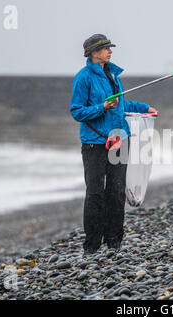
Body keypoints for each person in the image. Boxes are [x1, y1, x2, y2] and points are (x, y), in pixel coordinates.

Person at [69, 34, 157, 255]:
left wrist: (145, 108)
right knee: (95, 193)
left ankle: (114, 243)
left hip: (120, 140)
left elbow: (121, 102)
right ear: (93, 53)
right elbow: (77, 111)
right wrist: (102, 107)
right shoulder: (83, 78)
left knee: (117, 192)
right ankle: (91, 246)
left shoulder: (113, 75)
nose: (110, 51)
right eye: (105, 48)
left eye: (109, 47)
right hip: (94, 144)